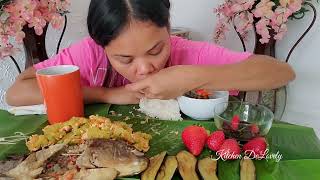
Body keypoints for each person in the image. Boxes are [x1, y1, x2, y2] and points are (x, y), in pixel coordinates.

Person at [5, 0, 295, 106]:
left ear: (168, 27)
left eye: (156, 50)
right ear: (101, 45)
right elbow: (18, 92)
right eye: (125, 59)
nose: (144, 69)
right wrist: (105, 95)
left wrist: (191, 76)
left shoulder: (188, 54)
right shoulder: (90, 54)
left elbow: (281, 72)